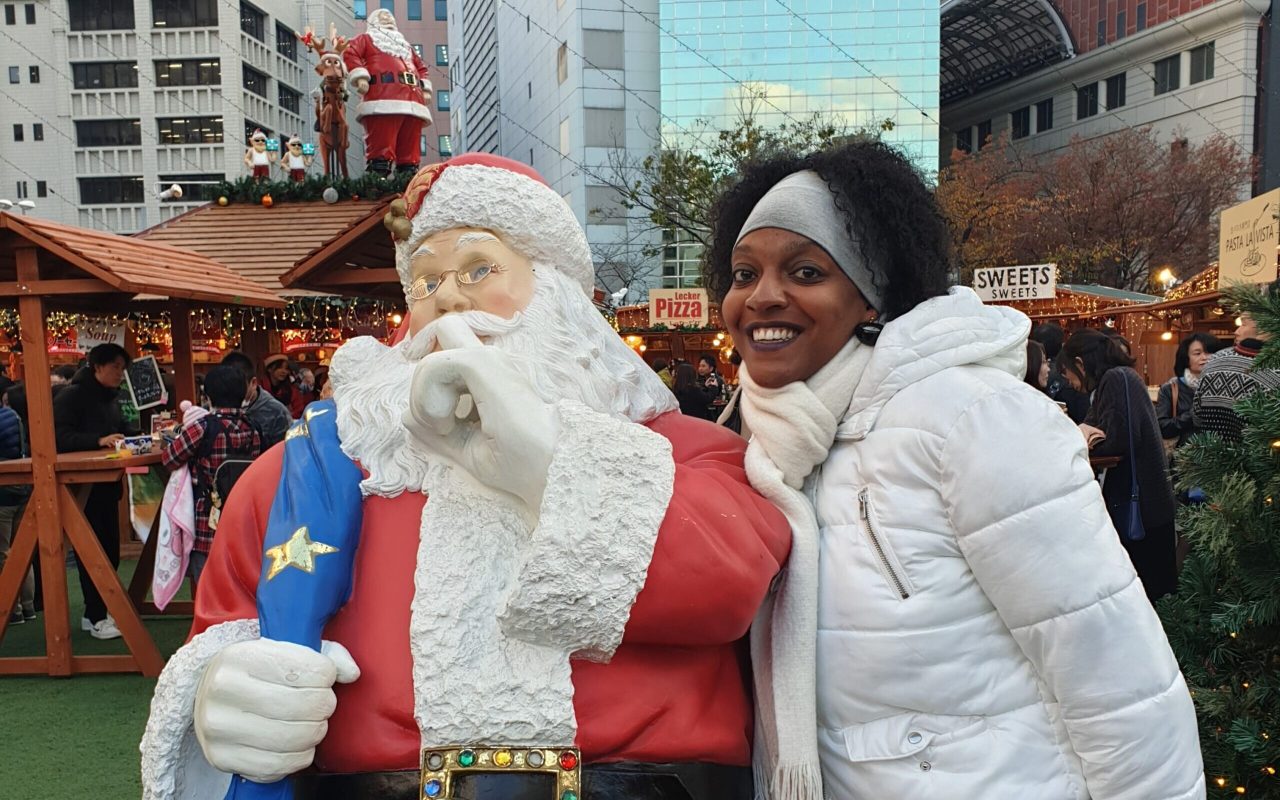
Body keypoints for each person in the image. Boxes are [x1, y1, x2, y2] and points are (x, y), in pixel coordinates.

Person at [141, 153, 791, 799]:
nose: (448, 297)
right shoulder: (293, 478)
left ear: (558, 293)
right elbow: (222, 634)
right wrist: (219, 691)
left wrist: (544, 463)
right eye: (425, 282)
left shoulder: (689, 456)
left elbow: (727, 587)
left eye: (480, 269)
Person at [703, 140, 1202, 799]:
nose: (762, 297)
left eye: (805, 272)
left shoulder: (974, 419)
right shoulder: (759, 447)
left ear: (873, 296)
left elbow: (1117, 680)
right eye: (743, 274)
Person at [1060, 329, 1178, 601]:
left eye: (1067, 371)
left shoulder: (1115, 379)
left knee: (1149, 591)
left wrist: (1086, 441)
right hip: (1150, 504)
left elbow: (1118, 441)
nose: (1068, 380)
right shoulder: (1119, 378)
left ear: (1080, 363)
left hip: (1141, 507)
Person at [52, 342, 139, 640]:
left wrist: (138, 436)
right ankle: (96, 615)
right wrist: (98, 440)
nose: (120, 373)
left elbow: (122, 429)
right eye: (115, 366)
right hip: (77, 489)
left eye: (122, 367)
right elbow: (59, 438)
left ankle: (98, 612)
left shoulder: (110, 398)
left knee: (109, 552)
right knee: (93, 554)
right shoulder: (71, 397)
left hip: (106, 486)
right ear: (97, 366)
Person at [160, 365, 263, 588]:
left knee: (207, 582)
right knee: (242, 579)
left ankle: (208, 621)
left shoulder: (203, 427)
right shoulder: (254, 427)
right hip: (243, 514)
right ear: (244, 392)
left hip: (207, 517)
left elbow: (170, 459)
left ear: (208, 395)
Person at [341, 8, 433, 177]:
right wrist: (360, 76)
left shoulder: (406, 47)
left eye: (389, 18)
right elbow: (350, 53)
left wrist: (425, 88)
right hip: (382, 99)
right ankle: (378, 179)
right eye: (383, 18)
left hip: (413, 102)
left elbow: (421, 67)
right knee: (381, 144)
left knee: (410, 147)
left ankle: (407, 179)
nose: (387, 20)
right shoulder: (365, 39)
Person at [1193, 309, 1280, 441]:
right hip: (1257, 457)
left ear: (1265, 327)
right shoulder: (1274, 368)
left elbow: (1196, 415)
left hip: (1208, 454)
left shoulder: (1214, 360)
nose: (1236, 331)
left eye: (1244, 324)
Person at [1156, 332, 1221, 452]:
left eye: (1209, 352)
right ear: (1186, 358)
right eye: (1197, 353)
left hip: (1219, 457)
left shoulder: (1225, 385)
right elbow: (1162, 427)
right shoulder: (1170, 388)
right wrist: (1194, 413)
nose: (1204, 357)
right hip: (1183, 458)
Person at [0, 394, 32, 624]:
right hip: (22, 489)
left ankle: (12, 608)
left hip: (3, 494)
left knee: (3, 554)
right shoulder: (13, 415)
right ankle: (28, 605)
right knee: (21, 550)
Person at [220, 351, 292, 448]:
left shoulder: (277, 412)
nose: (234, 391)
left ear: (253, 383)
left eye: (239, 385)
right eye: (229, 386)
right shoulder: (217, 406)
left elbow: (286, 452)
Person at [263, 353, 307, 419]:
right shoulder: (260, 389)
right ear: (269, 369)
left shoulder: (292, 391)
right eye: (280, 368)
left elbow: (299, 410)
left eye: (286, 369)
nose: (284, 372)